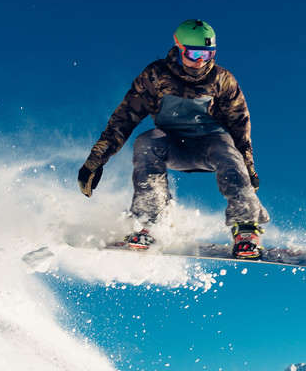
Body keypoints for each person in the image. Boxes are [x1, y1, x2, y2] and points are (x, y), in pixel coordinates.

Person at [77, 19, 269, 259]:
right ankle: (149, 223)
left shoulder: (222, 80)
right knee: (146, 142)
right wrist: (96, 160)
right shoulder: (156, 76)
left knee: (228, 151)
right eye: (194, 53)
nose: (201, 61)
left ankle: (246, 229)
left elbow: (240, 126)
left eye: (208, 54)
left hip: (210, 143)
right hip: (172, 144)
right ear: (179, 48)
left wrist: (248, 168)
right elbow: (124, 118)